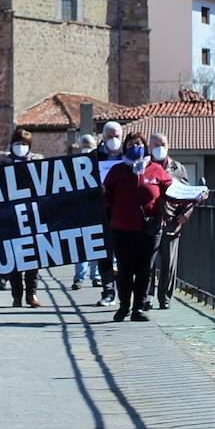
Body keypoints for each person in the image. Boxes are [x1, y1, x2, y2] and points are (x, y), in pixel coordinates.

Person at [102, 131, 172, 322]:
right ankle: (124, 306)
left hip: (148, 229)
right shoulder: (117, 171)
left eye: (139, 144)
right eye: (131, 144)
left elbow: (171, 190)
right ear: (125, 148)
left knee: (145, 270)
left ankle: (138, 308)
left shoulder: (156, 170)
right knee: (125, 270)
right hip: (122, 228)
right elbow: (105, 198)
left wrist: (195, 195)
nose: (135, 148)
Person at [145, 132, 203, 310]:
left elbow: (189, 195)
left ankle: (165, 297)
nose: (158, 148)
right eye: (154, 145)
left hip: (171, 222)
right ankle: (145, 297)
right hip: (150, 222)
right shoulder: (145, 167)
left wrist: (186, 213)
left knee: (168, 263)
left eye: (161, 144)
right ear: (149, 147)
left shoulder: (178, 168)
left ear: (168, 145)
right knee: (148, 263)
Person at [0, 127, 44, 308]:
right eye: (18, 143)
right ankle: (16, 295)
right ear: (11, 145)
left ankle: (31, 294)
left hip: (32, 215)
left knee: (34, 257)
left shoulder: (38, 163)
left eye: (24, 144)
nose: (21, 147)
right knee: (14, 259)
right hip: (10, 217)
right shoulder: (2, 165)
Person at [92, 122, 126, 307]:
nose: (113, 140)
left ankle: (124, 293)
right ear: (103, 137)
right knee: (104, 253)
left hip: (123, 212)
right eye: (109, 136)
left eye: (117, 136)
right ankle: (108, 291)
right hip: (101, 213)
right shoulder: (93, 158)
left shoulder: (128, 157)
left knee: (124, 255)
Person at [72, 134, 100, 291]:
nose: (87, 149)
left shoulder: (101, 163)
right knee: (80, 247)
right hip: (80, 212)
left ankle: (96, 276)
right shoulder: (72, 165)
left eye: (89, 145)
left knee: (96, 245)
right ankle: (79, 277)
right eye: (84, 145)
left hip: (96, 211)